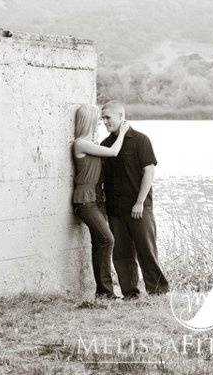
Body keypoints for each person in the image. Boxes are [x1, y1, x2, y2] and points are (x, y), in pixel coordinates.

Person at [99, 100, 169, 299]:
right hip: (115, 210)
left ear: (121, 117)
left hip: (139, 207)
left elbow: (149, 171)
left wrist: (139, 202)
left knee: (146, 250)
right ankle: (130, 294)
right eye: (103, 118)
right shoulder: (105, 145)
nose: (105, 122)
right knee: (121, 254)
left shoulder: (141, 140)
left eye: (108, 117)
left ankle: (158, 292)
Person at [72, 104, 129, 300]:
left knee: (99, 243)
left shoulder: (92, 143)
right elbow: (113, 152)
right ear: (88, 121)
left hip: (96, 200)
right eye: (98, 119)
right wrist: (122, 133)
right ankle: (105, 291)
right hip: (85, 202)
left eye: (104, 119)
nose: (101, 122)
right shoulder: (80, 143)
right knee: (107, 239)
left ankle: (103, 293)